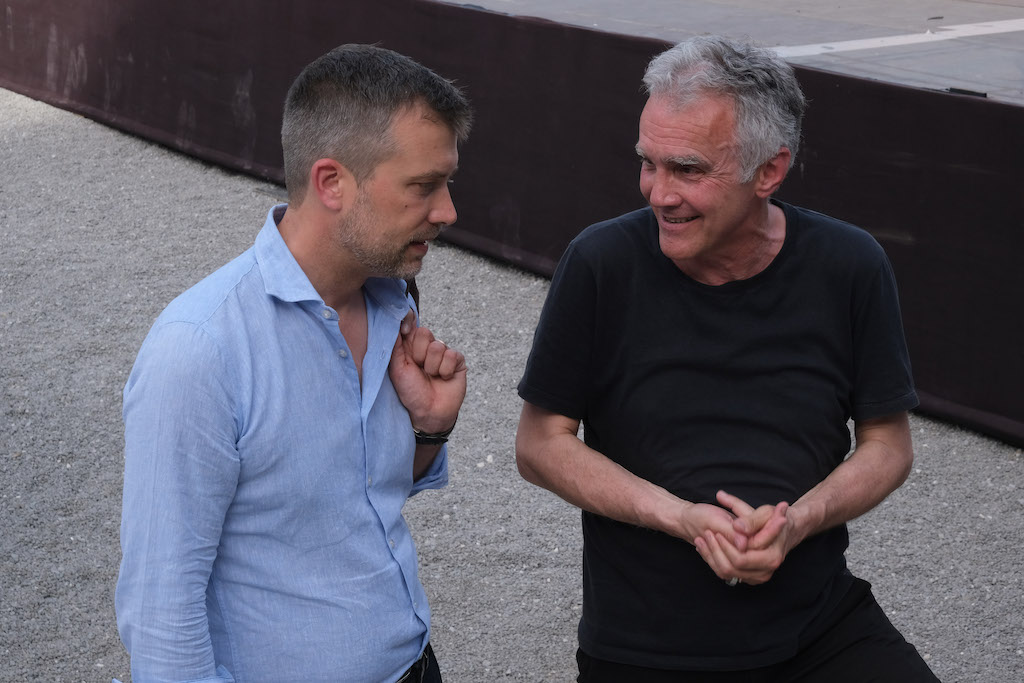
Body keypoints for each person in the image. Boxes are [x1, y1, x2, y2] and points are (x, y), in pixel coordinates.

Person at [516, 35, 938, 682]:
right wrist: (684, 519)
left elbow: (888, 444)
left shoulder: (850, 265)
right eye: (648, 163)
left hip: (820, 626)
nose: (658, 193)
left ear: (769, 171)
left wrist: (798, 522)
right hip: (646, 645)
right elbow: (540, 444)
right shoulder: (601, 264)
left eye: (687, 170)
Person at [116, 44, 472, 683]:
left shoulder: (392, 305)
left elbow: (354, 497)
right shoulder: (199, 351)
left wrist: (428, 430)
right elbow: (161, 613)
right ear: (331, 182)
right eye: (423, 186)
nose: (448, 211)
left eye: (446, 183)